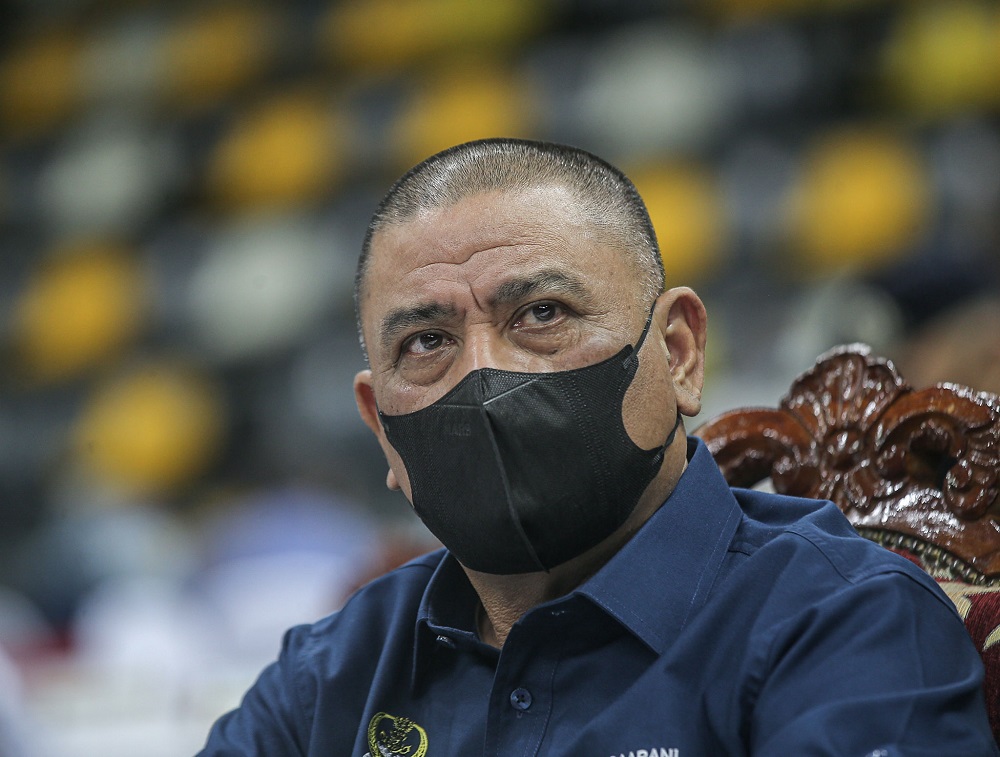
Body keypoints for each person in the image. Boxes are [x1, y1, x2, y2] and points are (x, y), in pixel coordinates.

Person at [199, 138, 997, 756]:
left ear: (679, 352)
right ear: (381, 425)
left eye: (541, 314)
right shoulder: (332, 673)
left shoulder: (835, 623)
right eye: (427, 339)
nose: (483, 373)